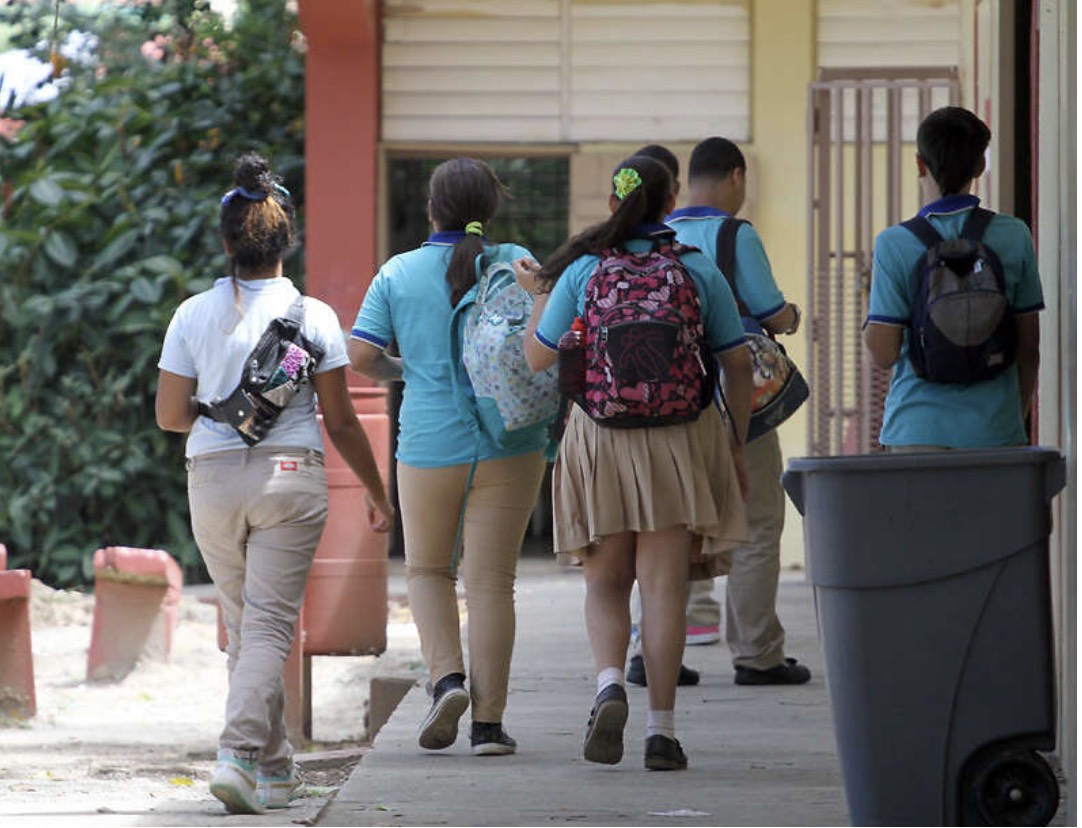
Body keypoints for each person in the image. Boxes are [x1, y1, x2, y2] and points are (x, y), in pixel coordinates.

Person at [156, 153, 394, 815]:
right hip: (290, 477)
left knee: (247, 625)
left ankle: (277, 771)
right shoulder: (313, 316)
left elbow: (170, 416)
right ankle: (238, 755)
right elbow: (343, 422)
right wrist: (378, 492)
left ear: (228, 242)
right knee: (264, 628)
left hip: (211, 479)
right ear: (285, 241)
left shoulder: (189, 316)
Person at [517, 154, 753, 770]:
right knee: (663, 587)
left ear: (613, 201)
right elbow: (737, 361)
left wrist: (536, 302)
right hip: (679, 439)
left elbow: (538, 360)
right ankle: (662, 732)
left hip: (600, 438)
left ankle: (608, 685)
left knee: (605, 582)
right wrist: (733, 442)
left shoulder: (584, 267)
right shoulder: (696, 268)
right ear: (670, 200)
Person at [348, 157, 549, 758]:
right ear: (490, 209)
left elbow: (360, 357)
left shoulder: (398, 272)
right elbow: (550, 337)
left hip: (429, 444)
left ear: (433, 209)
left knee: (429, 572)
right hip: (510, 441)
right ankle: (488, 725)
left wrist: (407, 369)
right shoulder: (519, 262)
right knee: (492, 584)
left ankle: (447, 680)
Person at [662, 136, 811, 687]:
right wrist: (791, 315)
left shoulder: (661, 232)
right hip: (732, 395)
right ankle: (756, 653)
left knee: (669, 526)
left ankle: (653, 651)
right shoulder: (734, 233)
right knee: (757, 519)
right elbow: (770, 311)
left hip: (668, 400)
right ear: (736, 177)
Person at [863, 106, 1042, 450]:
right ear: (979, 166)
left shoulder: (894, 244)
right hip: (996, 432)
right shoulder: (1013, 235)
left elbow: (884, 354)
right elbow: (1029, 348)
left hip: (915, 432)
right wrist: (1010, 420)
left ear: (919, 163)